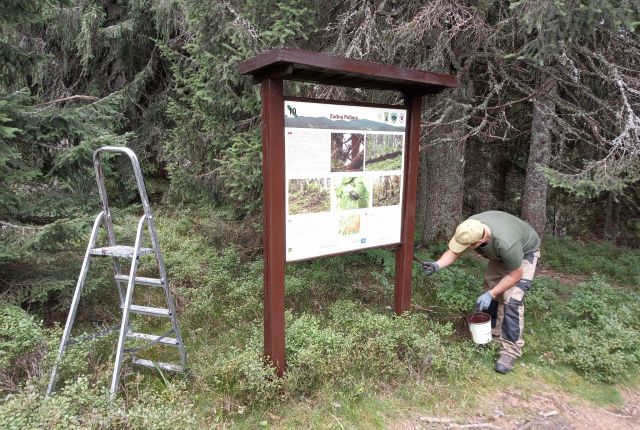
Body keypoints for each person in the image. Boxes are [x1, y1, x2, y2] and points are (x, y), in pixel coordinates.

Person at [422, 210, 540, 374]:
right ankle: (491, 336)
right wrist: (437, 265)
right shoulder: (469, 228)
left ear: (480, 241)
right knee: (493, 291)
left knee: (512, 299)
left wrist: (490, 294)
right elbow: (455, 251)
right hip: (501, 255)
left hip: (524, 253)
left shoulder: (505, 243)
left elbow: (515, 274)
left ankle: (509, 352)